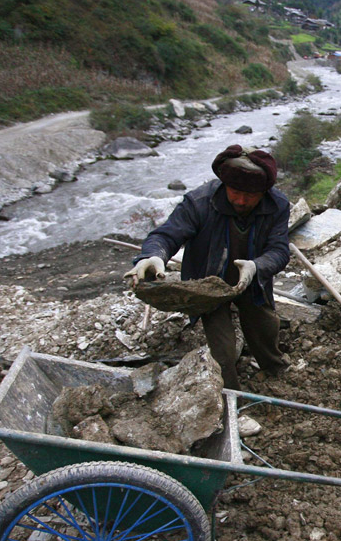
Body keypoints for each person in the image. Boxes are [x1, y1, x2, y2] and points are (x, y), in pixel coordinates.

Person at [124, 145, 290, 390]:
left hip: (253, 280)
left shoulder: (277, 205)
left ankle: (275, 369)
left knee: (266, 328)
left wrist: (256, 267)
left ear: (264, 192)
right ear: (224, 185)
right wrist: (154, 256)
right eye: (235, 192)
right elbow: (167, 236)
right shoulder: (199, 202)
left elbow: (279, 250)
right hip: (209, 286)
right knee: (222, 350)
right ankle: (231, 397)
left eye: (251, 195)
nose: (241, 201)